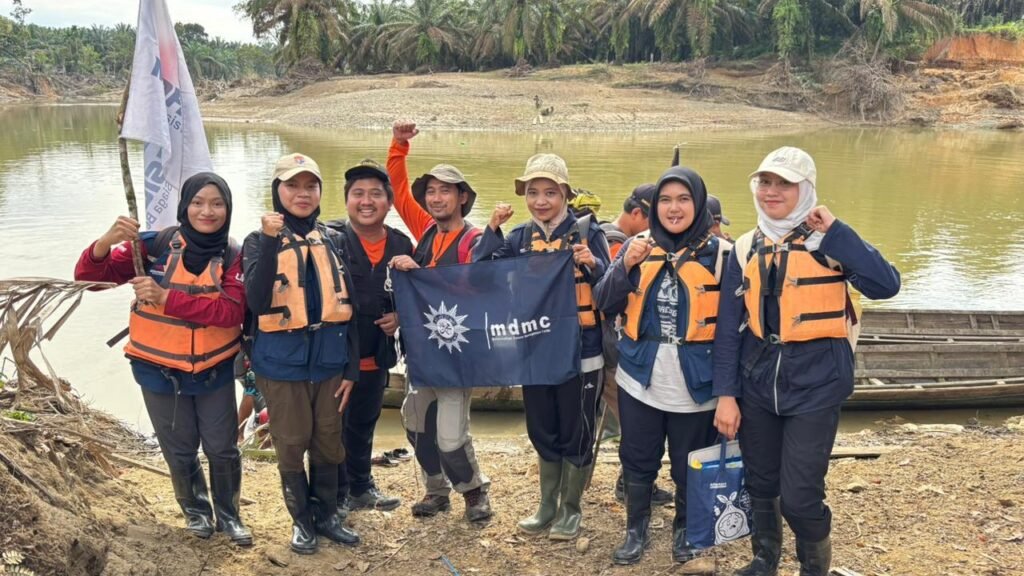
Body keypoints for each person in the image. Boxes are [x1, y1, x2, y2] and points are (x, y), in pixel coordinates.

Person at [712, 147, 901, 576]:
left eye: (785, 184)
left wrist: (837, 231)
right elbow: (727, 330)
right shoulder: (744, 247)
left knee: (800, 494)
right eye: (765, 182)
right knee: (760, 480)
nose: (772, 192)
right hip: (758, 378)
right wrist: (726, 394)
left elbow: (886, 285)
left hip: (817, 380)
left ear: (806, 189)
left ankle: (813, 567)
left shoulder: (831, 243)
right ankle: (765, 557)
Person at [74, 173, 252, 547]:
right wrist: (107, 241)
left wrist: (166, 296)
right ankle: (197, 512)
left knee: (222, 446)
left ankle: (230, 515)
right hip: (157, 370)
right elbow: (90, 279)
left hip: (213, 369)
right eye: (198, 202)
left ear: (228, 209)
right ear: (185, 205)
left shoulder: (234, 255)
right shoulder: (153, 246)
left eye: (217, 203)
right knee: (179, 447)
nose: (208, 211)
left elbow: (232, 312)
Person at [593, 166, 727, 565]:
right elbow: (605, 301)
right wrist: (624, 267)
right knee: (637, 456)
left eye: (683, 199)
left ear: (698, 204)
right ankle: (636, 530)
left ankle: (685, 529)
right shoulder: (637, 244)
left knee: (691, 464)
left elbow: (736, 330)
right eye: (665, 200)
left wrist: (730, 392)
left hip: (697, 381)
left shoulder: (723, 254)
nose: (673, 208)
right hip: (640, 376)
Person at [474, 153, 611, 541]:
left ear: (565, 194)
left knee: (576, 429)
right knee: (543, 428)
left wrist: (594, 264)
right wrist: (491, 228)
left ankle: (571, 508)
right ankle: (546, 504)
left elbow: (612, 291)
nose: (541, 200)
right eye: (533, 192)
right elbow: (481, 272)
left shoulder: (589, 232)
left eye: (550, 192)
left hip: (581, 349)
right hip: (534, 348)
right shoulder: (517, 237)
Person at [242, 154, 361, 555]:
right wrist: (274, 241)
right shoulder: (258, 241)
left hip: (329, 363)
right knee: (291, 442)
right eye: (293, 186)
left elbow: (351, 310)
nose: (302, 194)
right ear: (277, 192)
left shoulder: (336, 238)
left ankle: (327, 516)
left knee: (329, 442)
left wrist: (352, 369)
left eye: (311, 186)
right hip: (281, 364)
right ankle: (302, 523)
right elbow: (257, 303)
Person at [386, 121, 493, 522]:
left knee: (450, 437)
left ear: (462, 197)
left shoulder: (475, 240)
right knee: (413, 422)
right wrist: (398, 146)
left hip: (456, 357)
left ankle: (474, 491)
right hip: (422, 353)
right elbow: (397, 190)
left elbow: (476, 290)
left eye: (444, 190)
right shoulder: (426, 230)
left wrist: (422, 272)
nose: (435, 198)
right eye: (430, 191)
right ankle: (437, 490)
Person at [324, 159, 413, 515]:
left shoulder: (402, 243)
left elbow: (418, 293)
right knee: (332, 428)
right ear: (346, 200)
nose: (366, 201)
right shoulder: (329, 239)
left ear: (389, 203)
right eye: (358, 193)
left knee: (363, 423)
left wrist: (401, 315)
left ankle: (361, 487)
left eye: (376, 194)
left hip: (376, 355)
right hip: (334, 357)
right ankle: (336, 492)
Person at [596, 183, 674, 507]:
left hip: (612, 349)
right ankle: (630, 484)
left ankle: (636, 483)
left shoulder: (600, 234)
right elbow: (611, 299)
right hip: (616, 352)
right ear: (639, 213)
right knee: (635, 425)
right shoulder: (620, 246)